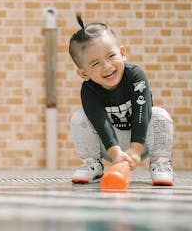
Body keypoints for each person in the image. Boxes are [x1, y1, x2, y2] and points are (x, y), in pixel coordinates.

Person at [68, 14, 174, 186]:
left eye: (111, 56)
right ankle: (92, 163)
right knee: (79, 117)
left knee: (160, 114)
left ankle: (160, 163)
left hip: (141, 139)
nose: (107, 67)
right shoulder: (89, 91)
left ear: (122, 53)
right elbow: (100, 122)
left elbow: (142, 111)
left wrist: (136, 148)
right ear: (83, 73)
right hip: (109, 145)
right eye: (95, 64)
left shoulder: (135, 76)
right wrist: (116, 153)